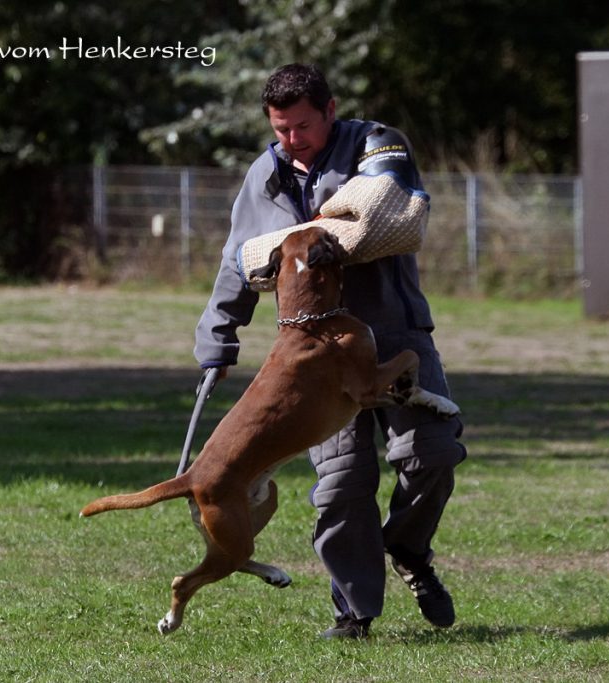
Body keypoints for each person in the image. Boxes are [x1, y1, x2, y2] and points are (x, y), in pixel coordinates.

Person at [194, 63, 466, 639]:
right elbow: (238, 260)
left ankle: (410, 548)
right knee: (341, 485)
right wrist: (219, 337)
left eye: (303, 127)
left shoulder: (377, 143)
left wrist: (310, 239)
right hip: (315, 354)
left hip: (395, 331)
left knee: (433, 454)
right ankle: (355, 612)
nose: (292, 140)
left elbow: (386, 216)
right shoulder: (263, 174)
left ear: (331, 110)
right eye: (281, 128)